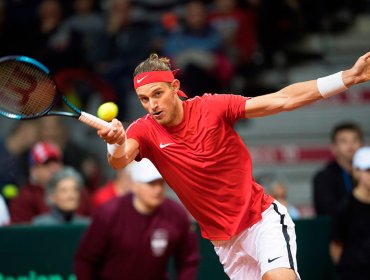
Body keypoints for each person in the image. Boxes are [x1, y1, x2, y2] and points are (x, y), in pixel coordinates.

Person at [97, 51, 370, 280]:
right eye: (144, 99)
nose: (152, 105)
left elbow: (283, 99)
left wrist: (349, 77)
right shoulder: (143, 131)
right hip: (224, 242)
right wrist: (114, 142)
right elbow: (120, 160)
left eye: (157, 94)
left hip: (260, 219)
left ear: (175, 88)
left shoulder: (213, 107)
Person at [74, 158, 199, 280]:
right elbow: (85, 259)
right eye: (150, 183)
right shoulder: (109, 213)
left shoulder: (176, 213)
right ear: (134, 185)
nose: (158, 189)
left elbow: (189, 259)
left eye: (161, 183)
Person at [9, 141, 91, 224]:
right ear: (33, 170)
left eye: (56, 162)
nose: (53, 169)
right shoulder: (24, 198)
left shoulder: (79, 192)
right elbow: (21, 233)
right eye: (46, 164)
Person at [329, 146, 370, 280]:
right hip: (354, 273)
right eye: (368, 170)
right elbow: (336, 246)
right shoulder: (344, 207)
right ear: (356, 172)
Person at [313, 122, 364, 216]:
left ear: (362, 145)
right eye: (344, 141)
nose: (350, 146)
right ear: (333, 148)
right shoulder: (324, 178)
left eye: (355, 140)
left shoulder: (366, 173)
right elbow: (326, 212)